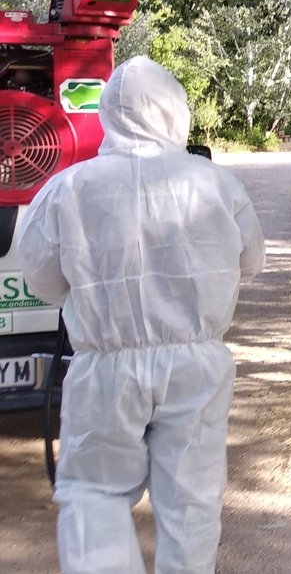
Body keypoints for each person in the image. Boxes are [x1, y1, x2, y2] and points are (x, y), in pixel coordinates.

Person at [18, 56, 265, 574]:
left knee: (94, 493)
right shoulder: (215, 184)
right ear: (177, 112)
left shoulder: (67, 188)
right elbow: (251, 261)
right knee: (192, 501)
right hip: (197, 365)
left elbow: (42, 279)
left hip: (105, 369)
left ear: (108, 114)